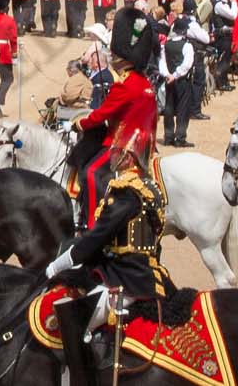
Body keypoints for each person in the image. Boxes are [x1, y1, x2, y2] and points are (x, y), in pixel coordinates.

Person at [42, 131, 173, 386]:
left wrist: (59, 263)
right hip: (142, 269)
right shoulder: (149, 188)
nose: (111, 154)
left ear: (129, 157)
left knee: (73, 318)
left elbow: (97, 237)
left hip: (127, 275)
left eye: (116, 150)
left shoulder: (126, 192)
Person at [69, 8, 158, 228]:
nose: (112, 57)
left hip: (122, 146)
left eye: (115, 54)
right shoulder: (144, 83)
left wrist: (80, 123)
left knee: (90, 173)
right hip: (145, 145)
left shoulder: (125, 85)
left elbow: (101, 115)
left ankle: (91, 225)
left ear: (122, 57)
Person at [156, 6, 196, 147]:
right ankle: (180, 138)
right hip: (182, 80)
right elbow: (187, 64)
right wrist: (176, 75)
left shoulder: (166, 44)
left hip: (169, 80)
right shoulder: (187, 46)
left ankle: (168, 137)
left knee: (169, 108)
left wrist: (167, 75)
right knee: (182, 110)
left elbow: (162, 62)